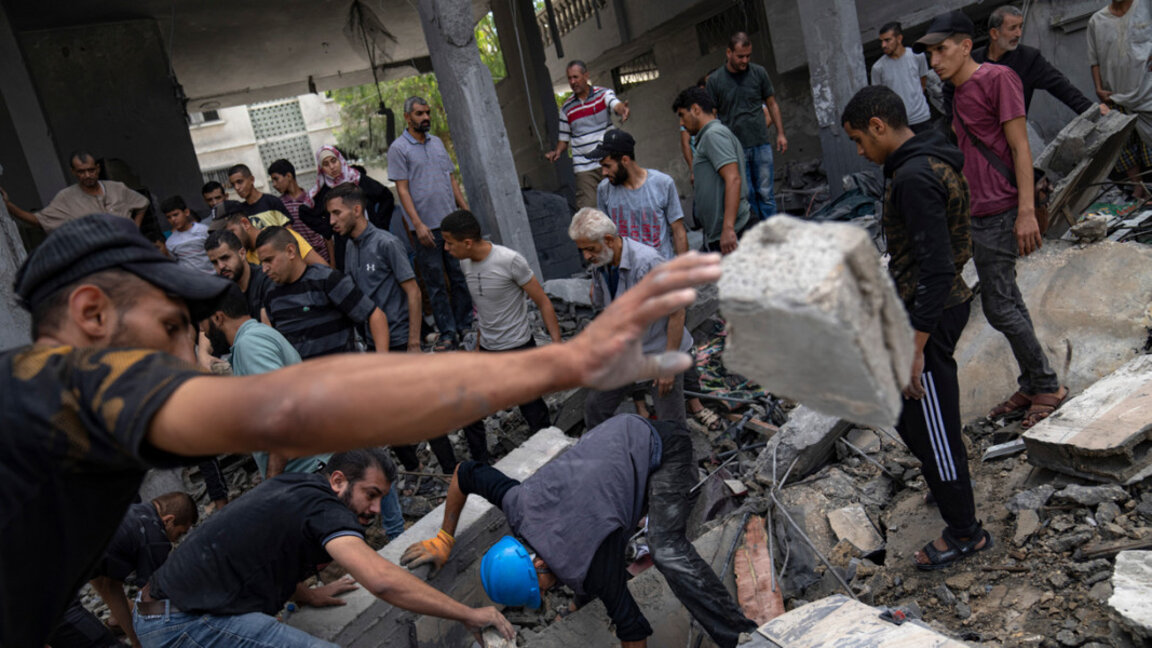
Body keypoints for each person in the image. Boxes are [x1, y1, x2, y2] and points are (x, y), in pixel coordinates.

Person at [2, 212, 719, 647]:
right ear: (92, 317)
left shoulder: (62, 440)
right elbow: (290, 407)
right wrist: (568, 359)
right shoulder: (58, 389)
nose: (189, 360)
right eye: (168, 331)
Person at [401, 415, 757, 648]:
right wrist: (444, 538)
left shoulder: (594, 564)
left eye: (539, 587)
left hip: (665, 448)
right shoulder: (518, 503)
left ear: (536, 562)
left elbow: (634, 632)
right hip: (617, 435)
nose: (545, 594)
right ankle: (583, 598)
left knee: (664, 548)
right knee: (598, 550)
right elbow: (465, 472)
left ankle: (739, 634)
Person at [133, 449, 512, 647]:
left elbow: (268, 552)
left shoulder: (299, 489)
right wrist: (466, 614)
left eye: (382, 499)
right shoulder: (327, 510)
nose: (376, 510)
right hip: (181, 624)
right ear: (337, 481)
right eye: (371, 495)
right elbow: (381, 580)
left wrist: (306, 594)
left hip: (161, 610)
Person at [841, 84, 990, 570]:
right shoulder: (924, 161)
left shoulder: (913, 178)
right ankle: (943, 479)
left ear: (879, 126)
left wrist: (915, 348)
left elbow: (938, 268)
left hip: (930, 313)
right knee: (907, 411)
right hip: (920, 310)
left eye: (860, 140)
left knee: (934, 424)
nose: (860, 151)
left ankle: (966, 531)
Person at [916, 11, 1068, 428]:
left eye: (941, 50)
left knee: (999, 307)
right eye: (930, 54)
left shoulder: (999, 79)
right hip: (977, 213)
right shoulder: (956, 93)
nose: (934, 61)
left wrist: (1024, 212)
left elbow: (1020, 149)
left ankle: (1048, 385)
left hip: (1003, 210)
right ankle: (1033, 379)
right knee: (1009, 299)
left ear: (966, 45)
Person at [197, 284, 408, 540]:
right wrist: (205, 357)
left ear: (219, 317)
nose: (203, 332)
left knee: (337, 550)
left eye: (203, 324)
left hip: (311, 470)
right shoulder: (256, 337)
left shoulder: (249, 345)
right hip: (316, 464)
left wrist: (273, 481)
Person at [327, 182, 456, 476]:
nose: (332, 221)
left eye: (337, 213)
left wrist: (413, 344)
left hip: (400, 343)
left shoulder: (386, 243)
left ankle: (451, 471)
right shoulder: (349, 248)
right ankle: (414, 467)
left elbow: (413, 292)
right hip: (374, 347)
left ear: (357, 210)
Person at [441, 210, 562, 463]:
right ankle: (480, 465)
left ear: (467, 243)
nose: (446, 248)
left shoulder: (510, 260)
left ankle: (552, 457)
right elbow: (483, 310)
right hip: (488, 350)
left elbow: (543, 302)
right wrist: (477, 348)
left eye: (449, 243)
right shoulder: (464, 263)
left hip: (518, 349)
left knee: (533, 411)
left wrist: (557, 347)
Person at [569, 208, 692, 428]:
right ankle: (612, 455)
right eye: (582, 251)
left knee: (671, 423)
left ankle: (680, 462)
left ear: (608, 240)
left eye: (590, 249)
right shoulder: (601, 262)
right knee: (596, 407)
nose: (586, 256)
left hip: (659, 351)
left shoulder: (647, 263)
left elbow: (677, 312)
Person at [48, 492, 197, 648]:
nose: (175, 540)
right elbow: (150, 604)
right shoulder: (154, 538)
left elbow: (108, 587)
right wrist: (191, 614)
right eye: (179, 533)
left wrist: (136, 641)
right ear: (169, 520)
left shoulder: (127, 513)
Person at [388, 96, 474, 351]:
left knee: (459, 277)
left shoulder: (437, 143)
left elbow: (451, 179)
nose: (425, 117)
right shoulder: (399, 148)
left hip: (451, 224)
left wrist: (464, 209)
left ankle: (465, 326)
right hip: (425, 228)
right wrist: (418, 224)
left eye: (427, 113)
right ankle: (447, 333)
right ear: (407, 117)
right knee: (436, 283)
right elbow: (402, 190)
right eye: (418, 114)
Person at [942, 6, 1098, 124]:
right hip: (977, 142)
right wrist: (954, 124)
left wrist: (1093, 111)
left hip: (1012, 141)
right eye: (1012, 28)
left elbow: (1062, 87)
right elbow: (949, 88)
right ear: (994, 33)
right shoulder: (972, 60)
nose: (1018, 34)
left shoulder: (1029, 60)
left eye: (1020, 27)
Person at [256, 226, 390, 360]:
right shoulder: (271, 295)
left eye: (269, 260)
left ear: (290, 251)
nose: (264, 269)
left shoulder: (328, 280)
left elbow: (375, 315)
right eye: (262, 263)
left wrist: (382, 364)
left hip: (342, 375)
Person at [706, 32, 787, 220]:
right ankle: (756, 237)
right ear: (728, 53)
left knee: (766, 194)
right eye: (740, 56)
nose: (745, 60)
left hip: (760, 143)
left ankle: (773, 236)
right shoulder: (716, 81)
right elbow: (711, 117)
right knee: (747, 195)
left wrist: (781, 133)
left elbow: (772, 104)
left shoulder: (758, 73)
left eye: (748, 56)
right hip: (734, 150)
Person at [672, 87, 754, 254]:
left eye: (682, 115)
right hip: (721, 235)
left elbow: (733, 179)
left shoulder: (713, 135)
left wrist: (728, 228)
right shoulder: (708, 137)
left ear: (695, 109)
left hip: (734, 233)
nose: (681, 123)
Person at [546, 60, 631, 208]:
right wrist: (557, 151)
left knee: (622, 202)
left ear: (586, 75)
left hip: (608, 159)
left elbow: (614, 104)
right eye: (569, 78)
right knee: (589, 210)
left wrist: (621, 108)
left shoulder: (603, 94)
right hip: (584, 168)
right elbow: (564, 140)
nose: (572, 82)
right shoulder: (566, 108)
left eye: (576, 77)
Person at [1088, 0, 1152, 199]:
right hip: (1115, 94)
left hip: (1147, 92)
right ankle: (1138, 187)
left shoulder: (1146, 6)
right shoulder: (1097, 21)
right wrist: (1099, 87)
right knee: (1124, 145)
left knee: (1148, 146)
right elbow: (1094, 60)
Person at [593, 129, 688, 259]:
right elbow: (605, 237)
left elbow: (678, 231)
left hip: (661, 268)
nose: (603, 172)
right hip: (628, 273)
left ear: (625, 160)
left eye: (607, 166)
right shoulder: (604, 190)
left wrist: (685, 270)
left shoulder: (662, 183)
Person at [1, 151, 149, 231]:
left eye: (91, 170)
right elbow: (39, 221)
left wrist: (135, 227)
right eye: (81, 172)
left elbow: (142, 204)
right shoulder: (66, 198)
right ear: (73, 172)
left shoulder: (117, 188)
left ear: (98, 168)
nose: (87, 175)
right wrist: (9, 206)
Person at [301, 146, 396, 269]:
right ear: (321, 169)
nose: (332, 167)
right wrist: (328, 228)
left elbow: (386, 196)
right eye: (326, 164)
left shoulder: (357, 179)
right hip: (345, 244)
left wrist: (380, 224)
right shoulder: (323, 191)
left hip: (372, 237)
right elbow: (304, 212)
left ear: (340, 160)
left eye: (333, 161)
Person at [871, 22, 933, 134]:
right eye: (881, 41)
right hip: (898, 125)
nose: (883, 45)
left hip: (922, 119)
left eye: (887, 40)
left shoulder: (917, 56)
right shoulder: (878, 68)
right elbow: (878, 99)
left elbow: (923, 82)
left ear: (899, 38)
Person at [268, 158, 332, 263]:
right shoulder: (279, 205)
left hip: (323, 257)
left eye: (276, 179)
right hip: (301, 261)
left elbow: (327, 234)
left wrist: (333, 264)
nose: (274, 184)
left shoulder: (311, 199)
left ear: (289, 176)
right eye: (272, 181)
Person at [204, 228, 275, 322]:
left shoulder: (266, 280)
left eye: (225, 258)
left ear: (242, 253)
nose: (221, 266)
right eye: (214, 262)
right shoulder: (218, 290)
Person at [220, 210, 329, 267]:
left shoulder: (281, 236)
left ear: (245, 224)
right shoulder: (243, 258)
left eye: (231, 232)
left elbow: (323, 268)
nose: (229, 240)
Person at [159, 196, 213, 275]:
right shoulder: (170, 242)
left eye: (175, 215)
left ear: (186, 212)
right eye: (169, 217)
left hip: (213, 277)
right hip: (190, 282)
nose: (173, 219)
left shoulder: (203, 230)